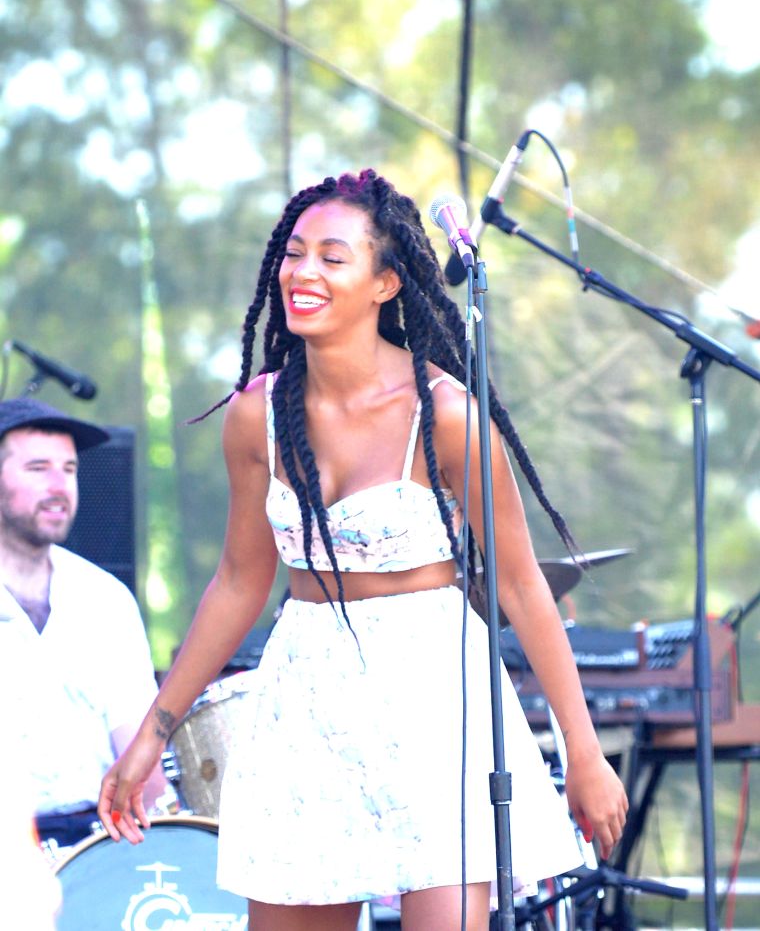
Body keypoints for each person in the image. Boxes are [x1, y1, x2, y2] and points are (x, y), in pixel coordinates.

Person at [99, 169, 628, 931]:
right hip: (307, 693)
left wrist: (583, 751)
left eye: (331, 257)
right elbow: (239, 583)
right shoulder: (257, 417)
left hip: (433, 693)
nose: (302, 272)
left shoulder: (446, 415)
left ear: (384, 282)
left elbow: (521, 586)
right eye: (293, 252)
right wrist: (153, 735)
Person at [0, 397, 172, 854]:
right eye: (38, 468)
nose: (60, 486)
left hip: (93, 848)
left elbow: (143, 767)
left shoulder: (105, 597)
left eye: (70, 469)